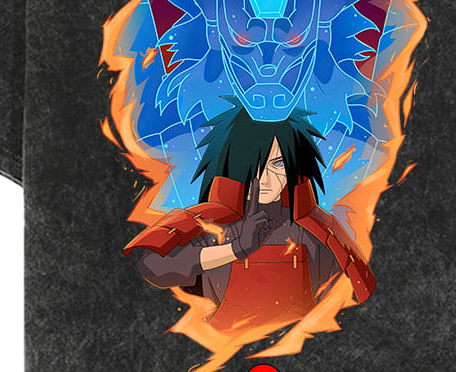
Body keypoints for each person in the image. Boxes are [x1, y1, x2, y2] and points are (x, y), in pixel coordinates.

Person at [124, 104, 375, 331]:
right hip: (222, 346)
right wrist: (234, 250)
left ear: (294, 165)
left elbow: (343, 296)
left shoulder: (316, 229)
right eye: (252, 164)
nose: (264, 179)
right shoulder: (210, 224)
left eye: (277, 164)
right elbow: (153, 264)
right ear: (231, 163)